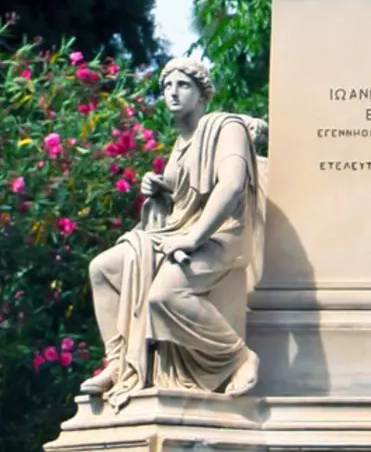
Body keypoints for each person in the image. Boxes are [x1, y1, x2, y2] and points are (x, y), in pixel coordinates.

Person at [80, 58, 263, 406]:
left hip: (221, 235)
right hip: (178, 233)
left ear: (202, 92)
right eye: (166, 87)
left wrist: (193, 239)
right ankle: (118, 364)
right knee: (102, 269)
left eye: (183, 85)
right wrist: (162, 189)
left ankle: (238, 357)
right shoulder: (180, 146)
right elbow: (182, 202)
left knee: (165, 296)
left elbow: (232, 186)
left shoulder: (226, 127)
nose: (173, 93)